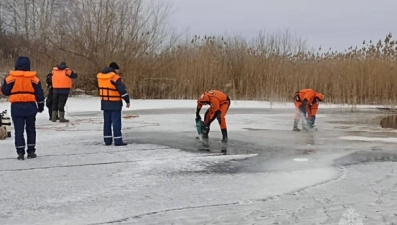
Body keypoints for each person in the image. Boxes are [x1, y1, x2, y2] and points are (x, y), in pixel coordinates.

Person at [1, 56, 45, 160]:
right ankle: (31, 151)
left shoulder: (10, 78)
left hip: (16, 107)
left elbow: (5, 91)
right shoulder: (34, 79)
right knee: (31, 130)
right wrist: (41, 106)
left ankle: (20, 152)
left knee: (18, 130)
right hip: (30, 106)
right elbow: (40, 94)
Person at [97, 62, 130, 146]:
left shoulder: (100, 77)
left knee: (107, 122)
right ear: (115, 69)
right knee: (116, 122)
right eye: (117, 70)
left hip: (104, 102)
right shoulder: (115, 77)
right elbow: (122, 90)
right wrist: (127, 100)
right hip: (115, 103)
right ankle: (118, 141)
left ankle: (107, 141)